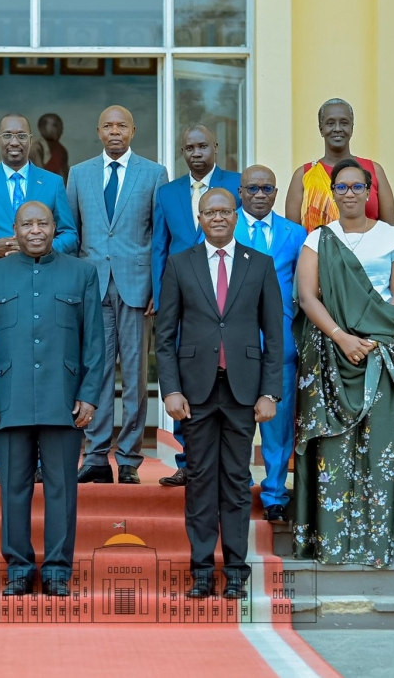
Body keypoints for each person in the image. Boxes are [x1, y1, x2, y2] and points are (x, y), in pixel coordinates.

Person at [290, 160, 394, 567]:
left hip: (382, 351)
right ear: (332, 193)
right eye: (342, 187)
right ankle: (331, 543)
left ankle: (383, 542)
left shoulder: (393, 237)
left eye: (357, 186)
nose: (349, 193)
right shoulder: (319, 239)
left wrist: (371, 337)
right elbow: (308, 297)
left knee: (381, 444)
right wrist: (342, 337)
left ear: (370, 192)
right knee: (333, 448)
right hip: (331, 354)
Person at [0, 201, 103, 597]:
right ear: (14, 229)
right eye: (26, 224)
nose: (35, 230)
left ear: (54, 227)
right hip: (9, 399)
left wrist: (90, 395)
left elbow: (95, 343)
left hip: (64, 400)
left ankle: (59, 569)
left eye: (42, 223)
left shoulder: (82, 274)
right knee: (13, 487)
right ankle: (19, 567)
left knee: (62, 488)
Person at [155, 188, 283, 600]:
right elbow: (164, 336)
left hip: (244, 391)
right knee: (199, 480)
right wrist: (170, 390)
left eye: (225, 211)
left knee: (237, 479)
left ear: (236, 215)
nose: (218, 218)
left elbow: (275, 336)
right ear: (200, 216)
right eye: (210, 212)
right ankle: (201, 572)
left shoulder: (259, 264)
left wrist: (271, 393)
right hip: (195, 392)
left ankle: (237, 571)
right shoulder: (179, 264)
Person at [0, 113, 79, 485]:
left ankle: (39, 456)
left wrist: (38, 246)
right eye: (7, 135)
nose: (14, 142)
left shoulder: (52, 182)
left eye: (21, 136)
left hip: (45, 285)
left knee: (39, 364)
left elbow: (71, 234)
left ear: (30, 141)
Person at [68, 105, 168, 485]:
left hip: (136, 287)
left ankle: (128, 457)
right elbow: (72, 233)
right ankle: (95, 456)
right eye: (108, 125)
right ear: (98, 131)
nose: (114, 131)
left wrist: (158, 287)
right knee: (96, 372)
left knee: (136, 376)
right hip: (92, 288)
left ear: (133, 130)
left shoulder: (154, 174)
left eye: (121, 125)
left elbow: (160, 237)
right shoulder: (79, 175)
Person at [151, 124, 241, 486]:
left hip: (224, 296)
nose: (197, 153)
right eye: (190, 148)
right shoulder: (167, 193)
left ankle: (222, 459)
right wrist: (159, 299)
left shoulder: (235, 184)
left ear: (215, 147)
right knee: (182, 373)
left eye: (203, 146)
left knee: (224, 373)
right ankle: (187, 460)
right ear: (182, 152)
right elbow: (159, 247)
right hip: (181, 297)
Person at [232, 165, 307, 523]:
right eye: (252, 188)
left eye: (267, 188)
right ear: (240, 192)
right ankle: (240, 489)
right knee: (238, 421)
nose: (260, 194)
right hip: (236, 342)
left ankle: (275, 493)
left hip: (282, 344)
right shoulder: (224, 231)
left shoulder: (296, 234)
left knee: (277, 424)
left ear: (276, 193)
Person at [284, 98, 394, 232]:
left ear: (352, 128)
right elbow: (292, 237)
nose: (337, 129)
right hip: (318, 252)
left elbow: (390, 232)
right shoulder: (304, 175)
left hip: (370, 251)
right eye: (330, 123)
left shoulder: (374, 170)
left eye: (344, 123)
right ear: (321, 129)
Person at [29, 113, 69, 183]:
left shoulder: (62, 151)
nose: (60, 129)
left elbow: (65, 177)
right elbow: (40, 177)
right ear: (42, 128)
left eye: (61, 126)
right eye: (55, 125)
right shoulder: (35, 148)